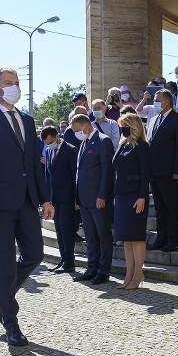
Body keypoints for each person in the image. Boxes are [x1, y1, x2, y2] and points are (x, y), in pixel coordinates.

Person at [0, 68, 53, 345]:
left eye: (16, 83)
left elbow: (33, 164)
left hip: (27, 202)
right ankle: (11, 323)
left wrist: (45, 198)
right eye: (8, 83)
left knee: (35, 254)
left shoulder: (28, 121)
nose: (14, 88)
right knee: (5, 265)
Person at [70, 113, 114, 285]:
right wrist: (77, 197)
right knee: (90, 236)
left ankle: (104, 270)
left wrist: (102, 195)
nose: (76, 134)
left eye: (77, 130)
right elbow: (79, 173)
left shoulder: (103, 141)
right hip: (84, 199)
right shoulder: (84, 142)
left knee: (103, 235)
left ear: (86, 126)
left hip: (98, 199)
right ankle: (92, 267)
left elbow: (107, 172)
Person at [112, 112, 151, 288]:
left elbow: (145, 174)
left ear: (133, 126)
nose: (122, 129)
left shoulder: (142, 147)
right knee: (126, 238)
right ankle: (129, 274)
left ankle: (137, 274)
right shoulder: (123, 145)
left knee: (136, 237)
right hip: (121, 196)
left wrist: (142, 196)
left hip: (135, 196)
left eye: (125, 125)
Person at [146, 88, 178, 252]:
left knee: (172, 207)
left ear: (167, 101)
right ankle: (161, 238)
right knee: (160, 208)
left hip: (169, 172)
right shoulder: (155, 119)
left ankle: (173, 240)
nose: (155, 103)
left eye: (157, 99)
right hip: (154, 172)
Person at [41, 126, 78, 273]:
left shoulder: (70, 149)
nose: (49, 145)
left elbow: (75, 175)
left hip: (68, 197)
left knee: (66, 228)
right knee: (59, 229)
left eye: (50, 142)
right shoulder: (49, 151)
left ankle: (70, 261)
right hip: (54, 198)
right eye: (46, 143)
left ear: (57, 136)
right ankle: (64, 259)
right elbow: (47, 175)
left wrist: (76, 197)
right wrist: (47, 198)